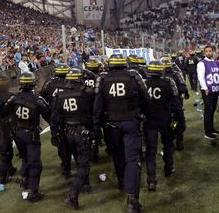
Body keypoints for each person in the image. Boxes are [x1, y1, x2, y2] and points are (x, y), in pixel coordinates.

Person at [93, 54, 149, 213]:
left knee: (117, 156)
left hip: (111, 124)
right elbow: (146, 98)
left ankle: (122, 183)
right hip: (131, 122)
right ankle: (132, 199)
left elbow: (98, 106)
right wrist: (143, 114)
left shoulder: (102, 79)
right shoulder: (134, 75)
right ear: (125, 64)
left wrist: (97, 127)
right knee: (132, 159)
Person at [50, 67, 95, 210]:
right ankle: (73, 193)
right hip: (82, 132)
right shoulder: (86, 92)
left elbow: (55, 118)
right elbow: (94, 111)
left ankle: (86, 184)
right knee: (84, 164)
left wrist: (55, 133)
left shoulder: (60, 95)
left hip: (67, 133)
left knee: (77, 160)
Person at [2, 71, 50, 202]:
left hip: (18, 133)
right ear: (33, 83)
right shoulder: (37, 100)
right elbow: (49, 116)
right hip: (31, 134)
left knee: (25, 158)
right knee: (35, 164)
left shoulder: (14, 98)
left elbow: (3, 112)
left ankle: (24, 180)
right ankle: (33, 192)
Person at [144, 60, 179, 191]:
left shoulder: (144, 83)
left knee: (151, 150)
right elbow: (175, 103)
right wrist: (179, 120)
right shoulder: (168, 83)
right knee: (168, 145)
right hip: (165, 119)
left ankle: (151, 179)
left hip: (150, 121)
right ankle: (168, 168)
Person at [40, 63, 72, 178]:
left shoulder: (49, 85)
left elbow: (42, 98)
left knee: (61, 144)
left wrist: (50, 112)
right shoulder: (70, 84)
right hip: (69, 117)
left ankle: (65, 168)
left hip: (55, 118)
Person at [162, 56, 189, 150]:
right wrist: (185, 93)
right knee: (178, 121)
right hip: (176, 102)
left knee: (167, 123)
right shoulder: (177, 74)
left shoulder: (160, 76)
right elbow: (183, 86)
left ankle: (170, 141)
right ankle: (179, 139)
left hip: (165, 105)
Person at [197, 45, 219, 140]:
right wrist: (205, 88)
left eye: (210, 51)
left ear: (212, 52)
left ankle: (212, 129)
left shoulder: (215, 62)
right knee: (208, 110)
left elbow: (218, 74)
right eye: (207, 51)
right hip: (207, 90)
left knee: (212, 110)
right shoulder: (202, 63)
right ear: (204, 53)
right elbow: (201, 77)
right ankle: (207, 132)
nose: (208, 53)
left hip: (215, 89)